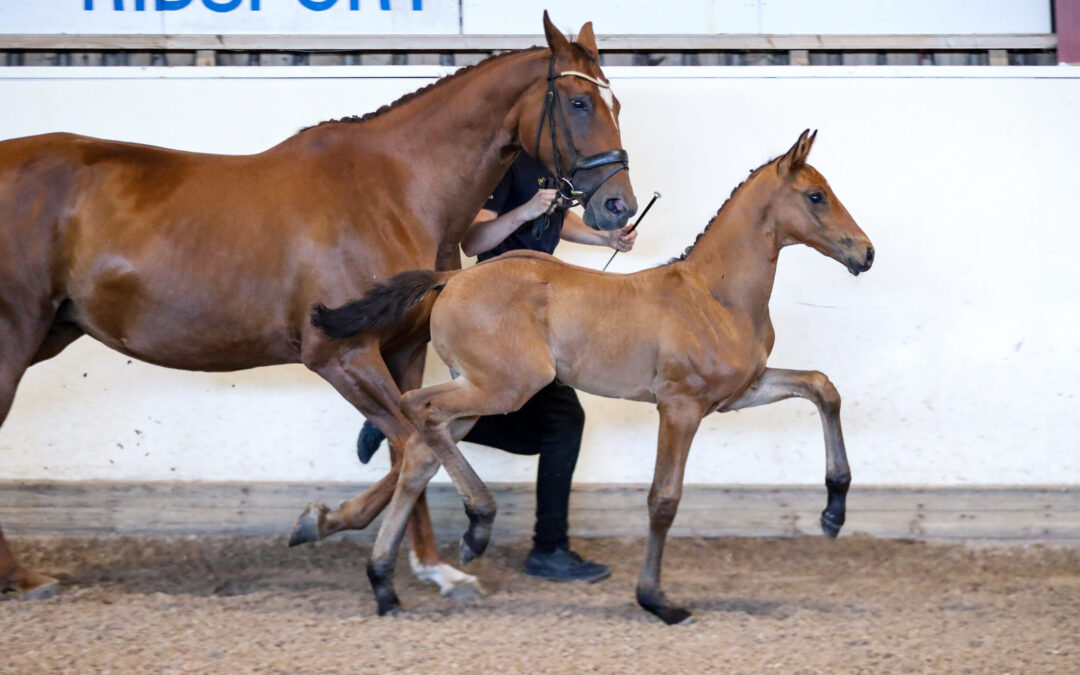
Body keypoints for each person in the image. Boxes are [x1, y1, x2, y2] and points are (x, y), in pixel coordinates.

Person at [357, 150, 636, 582]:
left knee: (542, 430)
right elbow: (474, 241)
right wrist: (525, 210)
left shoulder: (556, 169)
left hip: (533, 309)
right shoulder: (509, 167)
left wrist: (606, 239)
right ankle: (549, 550)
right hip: (499, 311)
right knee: (562, 422)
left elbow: (556, 222)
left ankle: (411, 413)